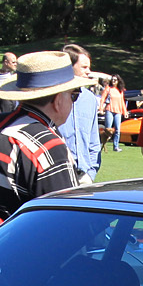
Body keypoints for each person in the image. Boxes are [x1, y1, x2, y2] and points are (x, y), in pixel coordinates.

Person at [0, 50, 87, 251]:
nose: (73, 102)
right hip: (16, 274)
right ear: (57, 99)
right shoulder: (48, 146)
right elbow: (70, 230)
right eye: (74, 95)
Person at [61, 43, 102, 183]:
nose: (88, 72)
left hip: (84, 176)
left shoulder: (89, 99)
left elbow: (94, 141)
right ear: (69, 67)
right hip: (58, 175)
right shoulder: (53, 99)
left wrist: (90, 173)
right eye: (84, 67)